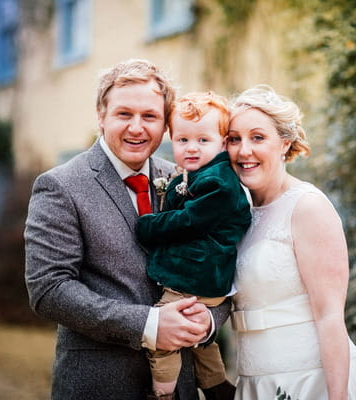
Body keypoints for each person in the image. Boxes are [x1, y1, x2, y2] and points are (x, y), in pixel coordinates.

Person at [24, 59, 231, 400]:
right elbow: (49, 289)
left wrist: (207, 321)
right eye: (124, 114)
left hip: (181, 386)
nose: (137, 127)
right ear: (101, 115)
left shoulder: (189, 181)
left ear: (165, 124)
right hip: (101, 384)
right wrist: (149, 325)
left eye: (149, 116)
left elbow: (222, 256)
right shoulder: (60, 186)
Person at [226, 85, 356, 400]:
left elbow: (330, 315)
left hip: (311, 382)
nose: (244, 151)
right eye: (234, 139)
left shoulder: (307, 207)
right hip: (254, 383)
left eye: (258, 137)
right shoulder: (236, 213)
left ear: (284, 143)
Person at [135, 92, 251, 399]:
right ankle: (217, 387)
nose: (191, 148)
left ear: (223, 143)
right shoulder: (200, 173)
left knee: (164, 333)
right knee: (199, 338)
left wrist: (148, 226)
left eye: (203, 140)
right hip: (201, 275)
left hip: (195, 274)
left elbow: (188, 220)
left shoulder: (218, 182)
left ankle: (161, 394)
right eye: (183, 140)